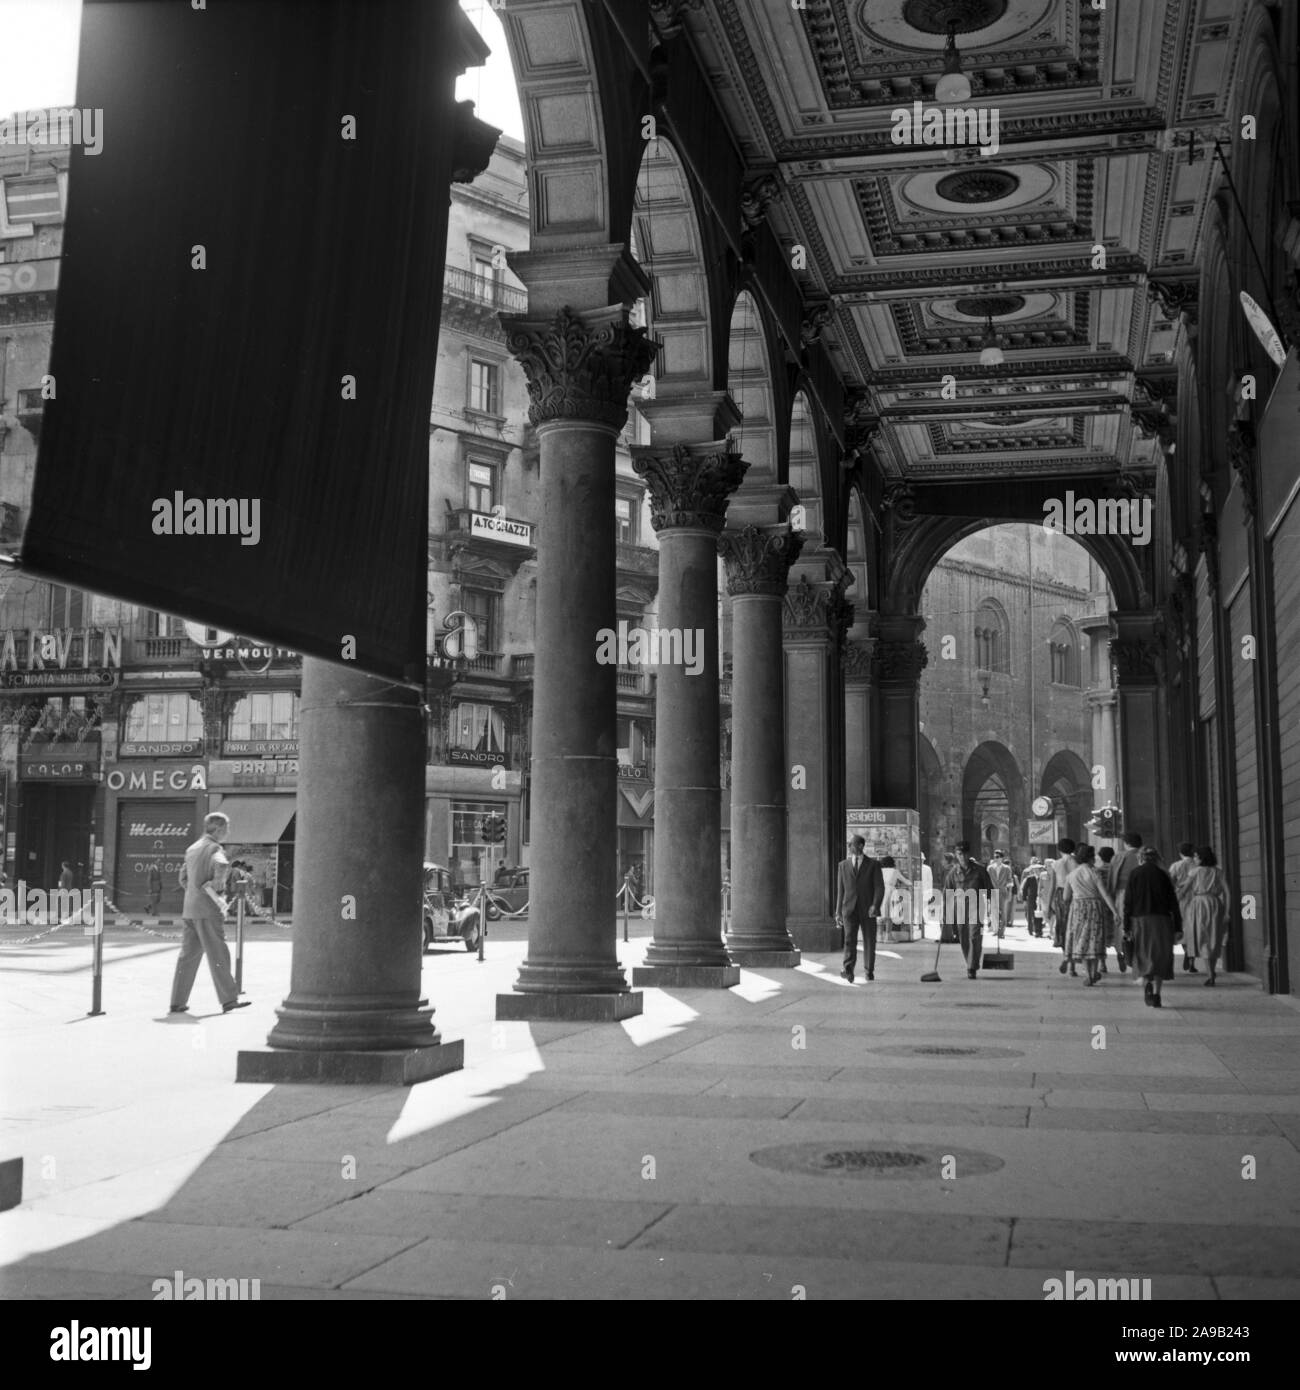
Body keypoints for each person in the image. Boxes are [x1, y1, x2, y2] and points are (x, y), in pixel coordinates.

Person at [169, 811, 250, 1015]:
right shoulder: (214, 847)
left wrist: (194, 890)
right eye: (227, 828)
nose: (228, 832)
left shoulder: (192, 848)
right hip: (207, 910)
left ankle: (177, 1001)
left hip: (190, 909)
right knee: (218, 954)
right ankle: (229, 999)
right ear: (219, 829)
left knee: (187, 957)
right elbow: (221, 863)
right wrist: (216, 888)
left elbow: (182, 878)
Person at [1123, 845, 1183, 1008]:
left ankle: (1146, 984)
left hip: (1140, 922)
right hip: (1162, 921)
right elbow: (1173, 902)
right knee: (1160, 957)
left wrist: (1126, 926)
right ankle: (1157, 994)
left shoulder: (1135, 874)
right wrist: (1178, 926)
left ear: (1140, 858)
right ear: (1157, 859)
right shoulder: (1164, 875)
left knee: (1142, 955)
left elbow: (1128, 903)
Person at [1062, 843, 1116, 986]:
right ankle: (1093, 972)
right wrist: (1115, 911)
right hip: (1095, 907)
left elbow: (1066, 897)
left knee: (1081, 939)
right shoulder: (1094, 873)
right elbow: (1105, 894)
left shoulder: (1071, 875)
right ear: (1091, 858)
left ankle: (1088, 973)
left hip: (1078, 908)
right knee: (1094, 939)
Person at [835, 835, 884, 983]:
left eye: (853, 844)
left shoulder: (873, 865)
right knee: (849, 940)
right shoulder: (843, 865)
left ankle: (869, 970)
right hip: (849, 909)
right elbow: (840, 891)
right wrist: (838, 912)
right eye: (849, 844)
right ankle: (848, 970)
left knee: (869, 940)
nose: (850, 847)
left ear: (861, 846)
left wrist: (875, 905)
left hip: (868, 909)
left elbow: (879, 887)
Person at [1185, 846, 1231, 986]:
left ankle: (1210, 973)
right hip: (1215, 904)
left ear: (1201, 858)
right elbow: (1227, 893)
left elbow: (1184, 890)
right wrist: (1228, 912)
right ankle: (1211, 971)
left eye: (1196, 856)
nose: (1194, 858)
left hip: (1198, 905)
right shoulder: (1218, 872)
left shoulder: (1194, 872)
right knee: (1214, 938)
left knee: (1202, 938)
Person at [949, 840, 993, 979]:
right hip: (960, 909)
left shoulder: (980, 870)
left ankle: (971, 967)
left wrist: (994, 910)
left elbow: (990, 890)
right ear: (956, 855)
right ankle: (970, 961)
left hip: (977, 908)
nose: (962, 856)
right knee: (963, 938)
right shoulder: (953, 873)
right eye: (959, 854)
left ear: (969, 854)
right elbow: (948, 893)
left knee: (975, 936)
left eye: (965, 853)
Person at [1167, 842, 1199, 973]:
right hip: (1197, 898)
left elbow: (1170, 883)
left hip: (1181, 898)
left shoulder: (1176, 865)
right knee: (1194, 928)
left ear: (1180, 853)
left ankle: (1185, 949)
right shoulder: (1198, 865)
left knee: (1182, 926)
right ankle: (1192, 959)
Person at [1050, 838, 1079, 972]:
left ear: (1059, 849)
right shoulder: (1078, 862)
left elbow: (1052, 885)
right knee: (1075, 927)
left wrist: (1049, 902)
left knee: (1062, 926)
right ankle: (1073, 963)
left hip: (1060, 896)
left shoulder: (1056, 864)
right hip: (1075, 895)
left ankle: (1066, 957)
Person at [879, 854, 911, 935]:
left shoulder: (880, 870)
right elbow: (906, 881)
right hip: (891, 892)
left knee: (881, 914)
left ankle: (879, 935)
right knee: (890, 914)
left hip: (880, 891)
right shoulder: (895, 871)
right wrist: (912, 883)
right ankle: (888, 935)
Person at [987, 849, 1014, 936]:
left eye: (997, 857)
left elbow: (1010, 881)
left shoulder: (1007, 868)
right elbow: (987, 881)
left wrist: (1010, 893)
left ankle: (1001, 932)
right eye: (995, 857)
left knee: (1002, 912)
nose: (995, 858)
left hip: (1002, 892)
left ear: (1001, 858)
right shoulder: (990, 868)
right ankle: (996, 930)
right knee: (993, 912)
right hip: (993, 892)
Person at [1019, 856, 1044, 936]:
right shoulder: (1029, 878)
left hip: (1040, 898)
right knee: (1030, 914)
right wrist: (1024, 899)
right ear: (1033, 870)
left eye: (1038, 870)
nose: (1037, 871)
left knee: (1039, 914)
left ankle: (1038, 930)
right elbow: (1025, 889)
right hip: (1031, 898)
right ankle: (1030, 930)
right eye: (1035, 870)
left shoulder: (1043, 878)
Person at [919, 852, 934, 940]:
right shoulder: (915, 867)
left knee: (924, 906)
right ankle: (920, 920)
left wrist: (930, 891)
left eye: (922, 860)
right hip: (918, 889)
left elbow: (930, 880)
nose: (921, 861)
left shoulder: (927, 868)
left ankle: (925, 920)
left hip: (925, 890)